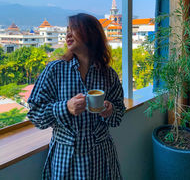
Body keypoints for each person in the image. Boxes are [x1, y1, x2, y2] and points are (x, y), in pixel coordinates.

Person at [27, 13, 126, 180]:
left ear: (90, 34)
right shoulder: (55, 70)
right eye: (67, 30)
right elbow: (35, 115)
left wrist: (110, 111)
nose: (67, 35)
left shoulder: (108, 75)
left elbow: (118, 116)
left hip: (101, 157)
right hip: (65, 158)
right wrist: (65, 108)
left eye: (73, 30)